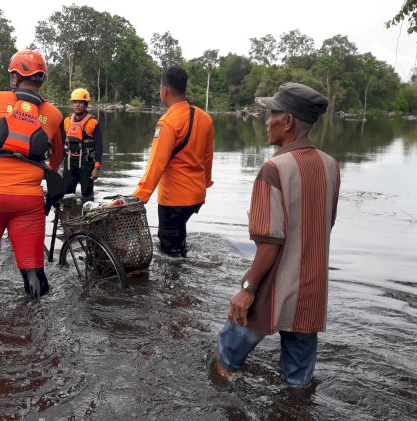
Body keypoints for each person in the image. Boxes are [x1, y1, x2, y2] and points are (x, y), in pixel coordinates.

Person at [214, 83, 340, 389]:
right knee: (299, 380)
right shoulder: (331, 166)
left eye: (272, 113)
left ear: (288, 121)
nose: (266, 121)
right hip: (312, 291)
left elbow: (270, 241)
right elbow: (326, 224)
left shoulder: (273, 169)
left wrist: (248, 288)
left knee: (225, 358)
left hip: (274, 286)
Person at [0, 49, 64, 298]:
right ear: (41, 79)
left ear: (14, 76)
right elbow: (55, 160)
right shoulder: (54, 114)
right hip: (28, 199)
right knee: (34, 273)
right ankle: (37, 330)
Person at [131, 66, 214, 257]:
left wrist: (139, 196)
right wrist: (205, 183)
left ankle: (174, 285)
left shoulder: (168, 122)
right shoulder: (205, 119)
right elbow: (207, 157)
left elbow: (156, 164)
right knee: (178, 240)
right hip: (196, 196)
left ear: (164, 90)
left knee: (170, 255)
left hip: (174, 200)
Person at [62, 88, 103, 197]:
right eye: (74, 102)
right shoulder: (66, 121)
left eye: (80, 102)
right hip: (70, 163)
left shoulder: (93, 123)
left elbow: (99, 147)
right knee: (66, 196)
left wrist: (97, 168)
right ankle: (67, 213)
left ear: (86, 104)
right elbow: (62, 143)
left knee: (87, 196)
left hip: (87, 163)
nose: (77, 105)